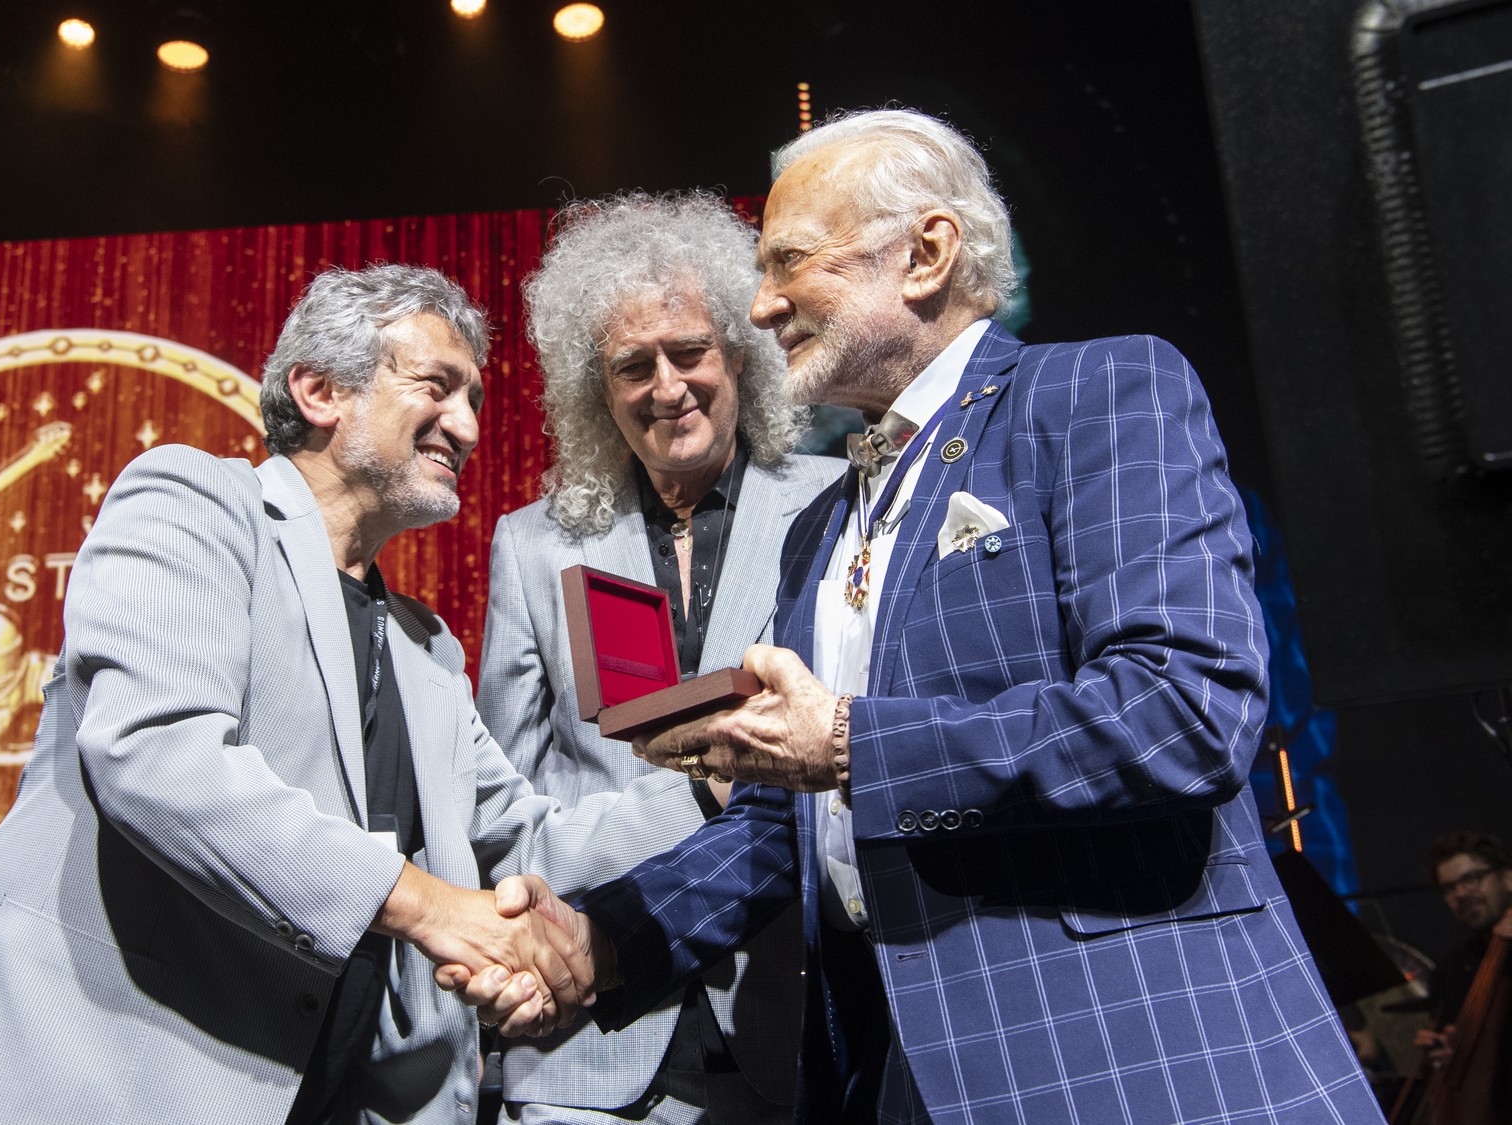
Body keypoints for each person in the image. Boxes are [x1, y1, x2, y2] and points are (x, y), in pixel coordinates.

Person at [460, 109, 1386, 1123]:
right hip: (899, 1077)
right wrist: (601, 945)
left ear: (928, 254)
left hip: (1131, 1061)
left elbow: (1184, 714)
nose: (762, 307)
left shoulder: (1098, 392)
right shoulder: (826, 522)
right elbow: (792, 825)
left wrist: (853, 742)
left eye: (791, 263)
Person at [0, 263, 678, 1125]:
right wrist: (438, 913)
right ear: (318, 390)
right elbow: (158, 754)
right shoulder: (192, 500)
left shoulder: (425, 647)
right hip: (113, 1081)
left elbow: (521, 842)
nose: (464, 426)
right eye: (437, 386)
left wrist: (731, 782)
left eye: (476, 402)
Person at [477, 192, 841, 1123]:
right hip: (580, 1051)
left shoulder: (842, 505)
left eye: (690, 353)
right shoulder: (532, 546)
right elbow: (498, 806)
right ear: (595, 392)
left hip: (795, 1033)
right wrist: (684, 803)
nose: (666, 386)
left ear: (742, 354)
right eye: (631, 365)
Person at [1408, 831, 1512, 1113]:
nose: (1461, 894)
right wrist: (1444, 1053)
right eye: (1449, 888)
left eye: (1471, 879)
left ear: (1507, 878)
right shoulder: (1452, 967)